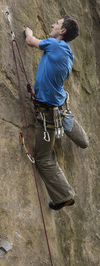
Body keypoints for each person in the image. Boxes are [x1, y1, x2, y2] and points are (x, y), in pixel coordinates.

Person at [25, 15, 89, 210]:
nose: (52, 24)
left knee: (43, 158)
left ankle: (65, 196)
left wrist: (28, 32)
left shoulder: (53, 44)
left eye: (57, 23)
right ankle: (83, 140)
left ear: (62, 31)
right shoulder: (67, 52)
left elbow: (30, 41)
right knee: (63, 118)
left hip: (47, 112)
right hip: (59, 104)